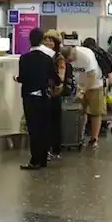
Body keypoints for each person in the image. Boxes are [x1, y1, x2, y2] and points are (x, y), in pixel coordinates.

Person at [16, 28, 56, 170]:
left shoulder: (24, 58)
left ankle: (35, 160)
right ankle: (43, 159)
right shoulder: (47, 58)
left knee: (33, 129)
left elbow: (22, 77)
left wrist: (16, 79)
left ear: (30, 40)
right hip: (44, 97)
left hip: (30, 97)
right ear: (42, 40)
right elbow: (54, 77)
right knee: (43, 128)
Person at [68, 44, 105, 148]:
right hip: (80, 85)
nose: (70, 62)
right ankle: (80, 136)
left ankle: (94, 139)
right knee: (81, 111)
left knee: (95, 112)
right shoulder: (68, 56)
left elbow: (92, 76)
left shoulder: (85, 55)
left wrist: (83, 91)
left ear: (73, 53)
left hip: (95, 85)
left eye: (70, 59)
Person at [44, 30, 68, 159]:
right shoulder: (44, 55)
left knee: (54, 122)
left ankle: (55, 149)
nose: (48, 42)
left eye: (51, 40)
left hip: (55, 93)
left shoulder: (59, 58)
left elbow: (61, 77)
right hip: (45, 92)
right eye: (46, 39)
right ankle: (47, 148)